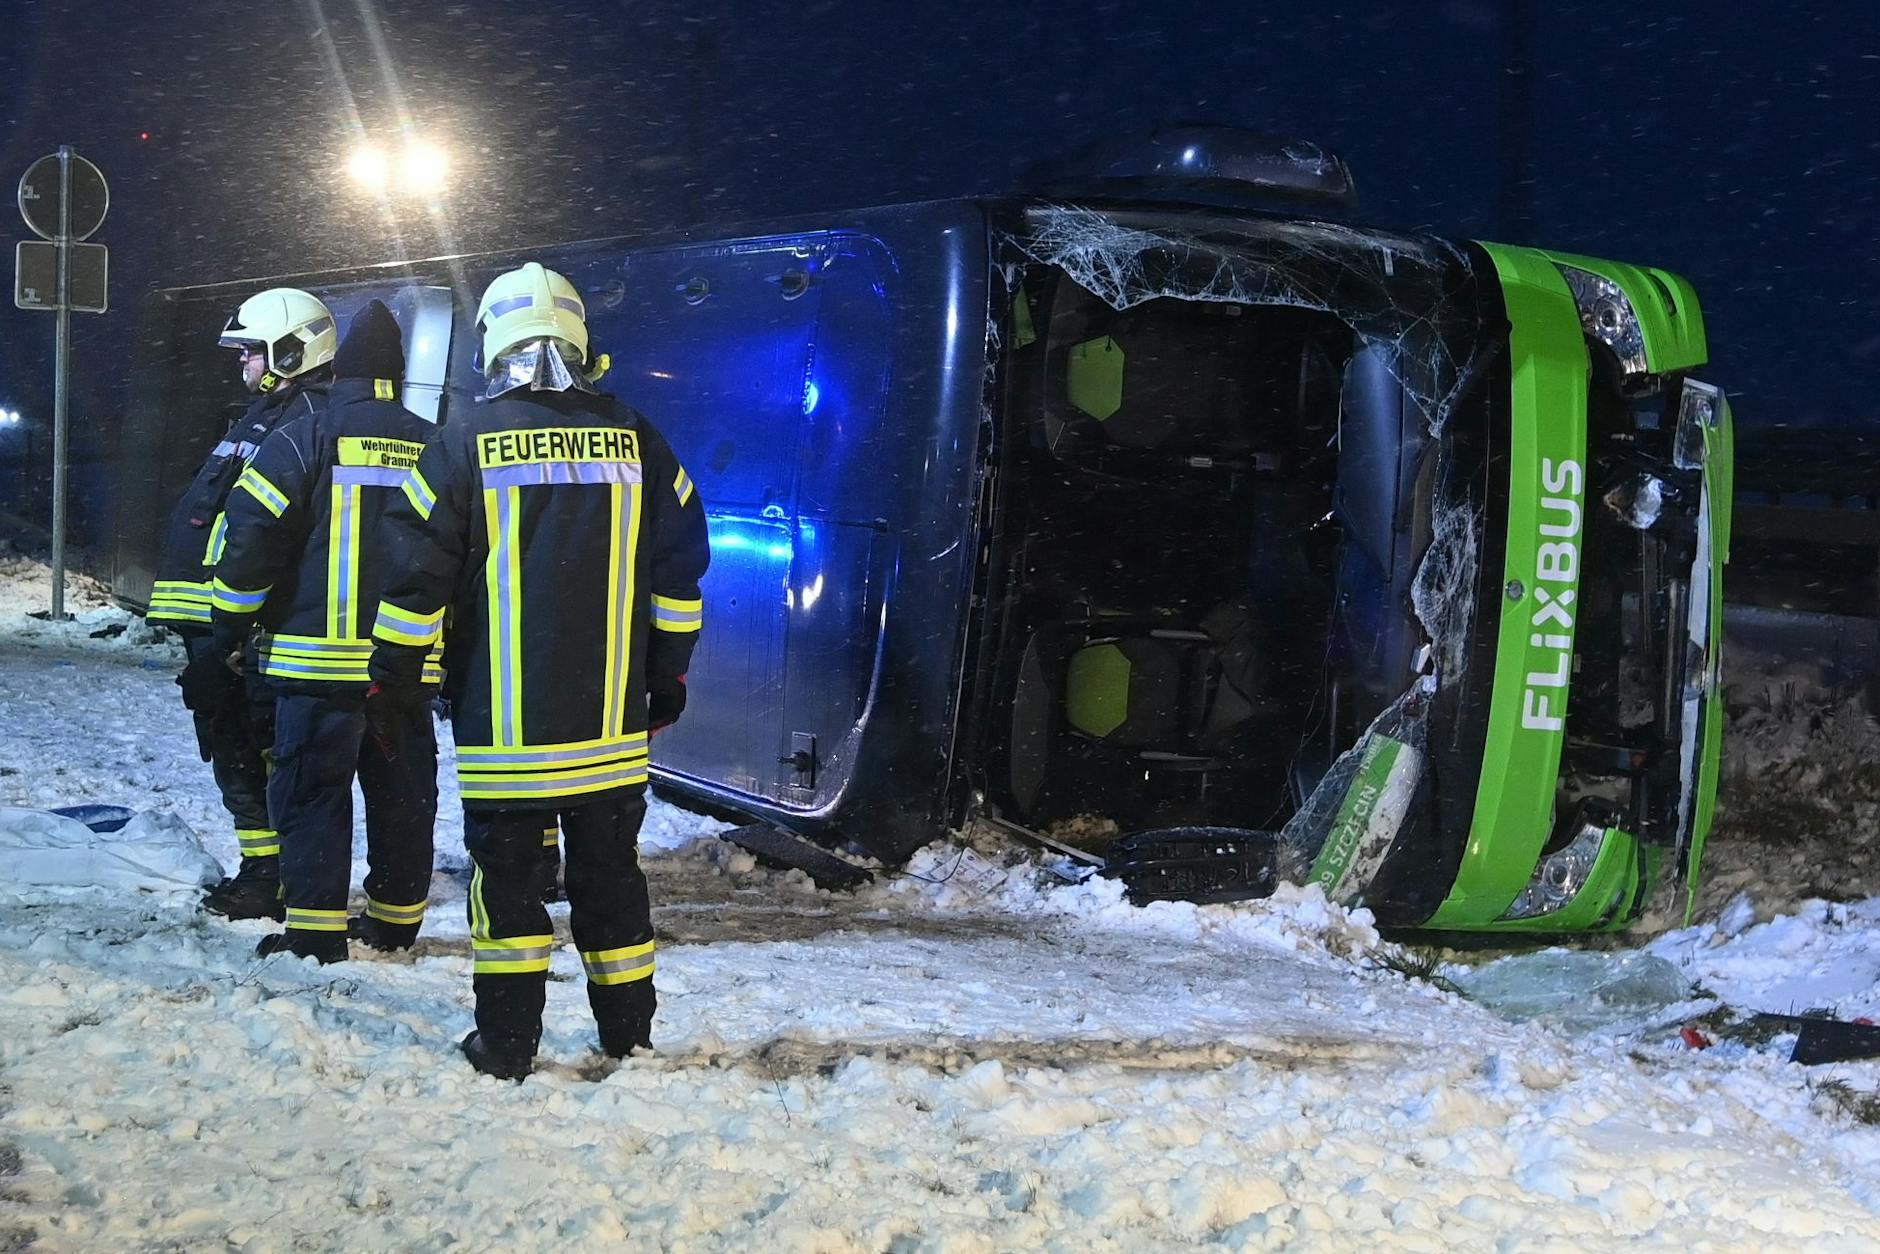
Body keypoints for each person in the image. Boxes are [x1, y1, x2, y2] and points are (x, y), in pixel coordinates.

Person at [369, 262, 708, 1079]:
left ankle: (509, 1044)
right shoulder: (636, 436)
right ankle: (628, 1035)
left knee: (510, 888)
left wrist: (395, 679)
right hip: (611, 727)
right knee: (611, 880)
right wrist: (668, 673)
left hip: (506, 730)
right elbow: (681, 568)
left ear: (495, 342)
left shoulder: (462, 442)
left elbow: (414, 579)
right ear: (579, 338)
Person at [206, 300, 442, 963]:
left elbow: (251, 542)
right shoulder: (436, 442)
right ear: (396, 373)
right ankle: (396, 922)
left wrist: (229, 623)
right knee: (403, 795)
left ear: (343, 373)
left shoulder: (304, 438)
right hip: (404, 670)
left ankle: (314, 933)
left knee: (312, 793)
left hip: (315, 669)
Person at [156, 288, 337, 920]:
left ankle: (270, 875)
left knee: (250, 745)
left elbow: (272, 534)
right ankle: (263, 867)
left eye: (251, 352)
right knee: (230, 741)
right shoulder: (270, 413)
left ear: (292, 350)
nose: (242, 364)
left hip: (244, 627)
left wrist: (239, 627)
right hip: (218, 621)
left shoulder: (304, 420)